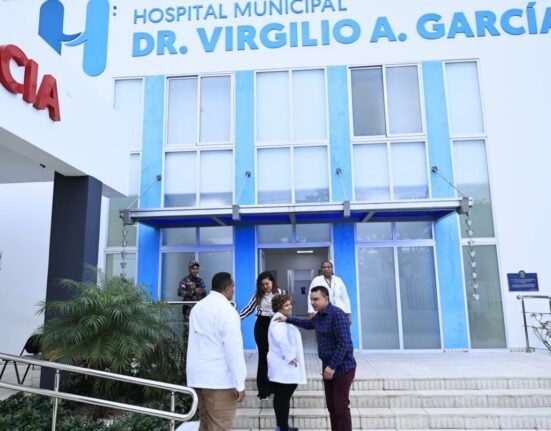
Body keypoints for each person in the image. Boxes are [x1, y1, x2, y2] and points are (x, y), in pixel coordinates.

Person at [278, 285, 356, 431]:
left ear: (326, 299)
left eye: (316, 299)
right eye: (311, 299)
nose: (312, 302)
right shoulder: (319, 316)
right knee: (332, 406)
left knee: (341, 408)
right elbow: (307, 323)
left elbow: (344, 344)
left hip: (342, 368)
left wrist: (332, 366)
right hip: (328, 367)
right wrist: (287, 319)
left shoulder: (337, 315)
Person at [186, 272, 247, 431]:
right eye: (233, 287)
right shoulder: (227, 311)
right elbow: (233, 350)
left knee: (205, 425)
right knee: (220, 426)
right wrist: (240, 383)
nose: (233, 290)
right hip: (219, 382)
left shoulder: (198, 308)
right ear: (227, 288)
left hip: (198, 379)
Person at [239, 271, 282, 400]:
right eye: (262, 284)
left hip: (275, 325)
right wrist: (236, 317)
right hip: (261, 325)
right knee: (263, 357)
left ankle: (275, 387)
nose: (265, 287)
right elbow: (248, 309)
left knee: (275, 356)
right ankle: (263, 391)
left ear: (272, 282)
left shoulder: (280, 293)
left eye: (267, 284)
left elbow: (284, 310)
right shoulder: (257, 295)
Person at [268, 294, 305, 431]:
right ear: (279, 307)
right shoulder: (278, 320)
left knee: (282, 396)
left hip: (282, 363)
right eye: (286, 305)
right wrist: (290, 356)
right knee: (283, 395)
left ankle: (282, 426)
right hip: (283, 363)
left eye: (290, 304)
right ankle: (283, 427)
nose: (290, 307)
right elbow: (281, 340)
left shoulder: (283, 318)